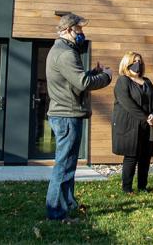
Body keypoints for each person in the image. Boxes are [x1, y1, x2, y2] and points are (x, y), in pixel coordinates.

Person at [45, 13, 112, 222]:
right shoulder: (65, 54)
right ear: (67, 30)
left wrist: (93, 71)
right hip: (66, 116)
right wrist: (106, 76)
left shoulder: (63, 51)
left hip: (66, 114)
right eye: (79, 29)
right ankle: (56, 213)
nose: (82, 33)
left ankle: (67, 203)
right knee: (64, 165)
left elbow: (74, 80)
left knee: (69, 163)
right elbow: (83, 83)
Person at [111, 51, 153, 193]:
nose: (138, 64)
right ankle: (127, 189)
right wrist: (145, 117)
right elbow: (127, 103)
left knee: (145, 157)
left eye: (140, 61)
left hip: (147, 124)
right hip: (130, 125)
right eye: (134, 61)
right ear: (127, 64)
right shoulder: (123, 81)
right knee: (131, 156)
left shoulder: (147, 81)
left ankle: (142, 187)